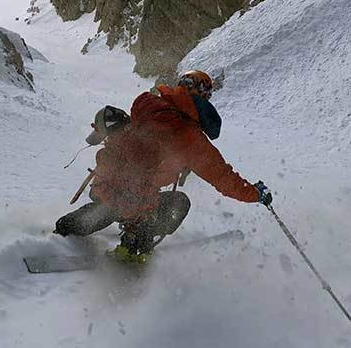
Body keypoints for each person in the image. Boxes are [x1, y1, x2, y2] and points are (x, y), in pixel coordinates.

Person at [55, 70, 272, 258]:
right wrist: (255, 193)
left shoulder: (145, 103)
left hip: (105, 187)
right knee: (178, 203)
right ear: (202, 98)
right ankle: (134, 249)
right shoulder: (189, 138)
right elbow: (224, 180)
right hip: (137, 201)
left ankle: (63, 230)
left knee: (112, 206)